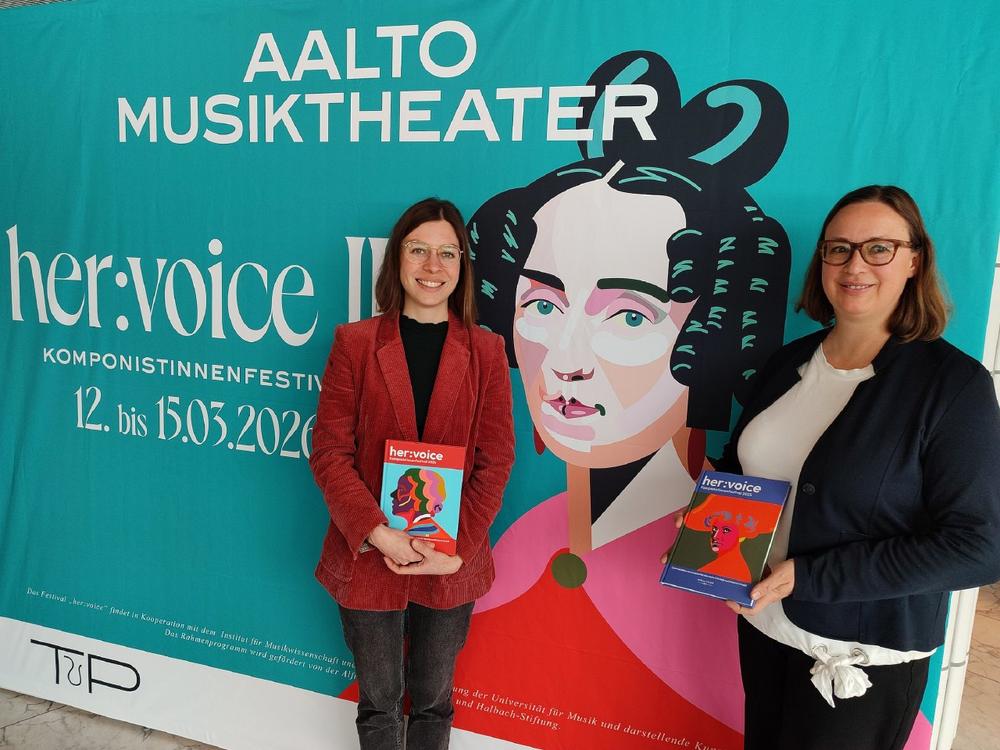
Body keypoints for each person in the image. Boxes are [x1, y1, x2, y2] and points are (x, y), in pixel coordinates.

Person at [715, 185, 1000, 749]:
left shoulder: (953, 387)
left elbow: (978, 547)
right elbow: (742, 471)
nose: (854, 265)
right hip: (766, 627)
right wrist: (709, 533)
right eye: (839, 248)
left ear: (915, 261)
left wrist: (812, 575)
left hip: (856, 659)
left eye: (879, 248)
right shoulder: (788, 363)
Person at [309, 197, 515, 750]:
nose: (432, 266)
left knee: (432, 703)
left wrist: (456, 547)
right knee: (378, 705)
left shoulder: (487, 351)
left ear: (462, 266)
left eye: (447, 253)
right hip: (370, 553)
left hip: (451, 560)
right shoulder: (355, 344)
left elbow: (496, 461)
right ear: (397, 259)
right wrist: (378, 533)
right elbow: (329, 452)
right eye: (418, 249)